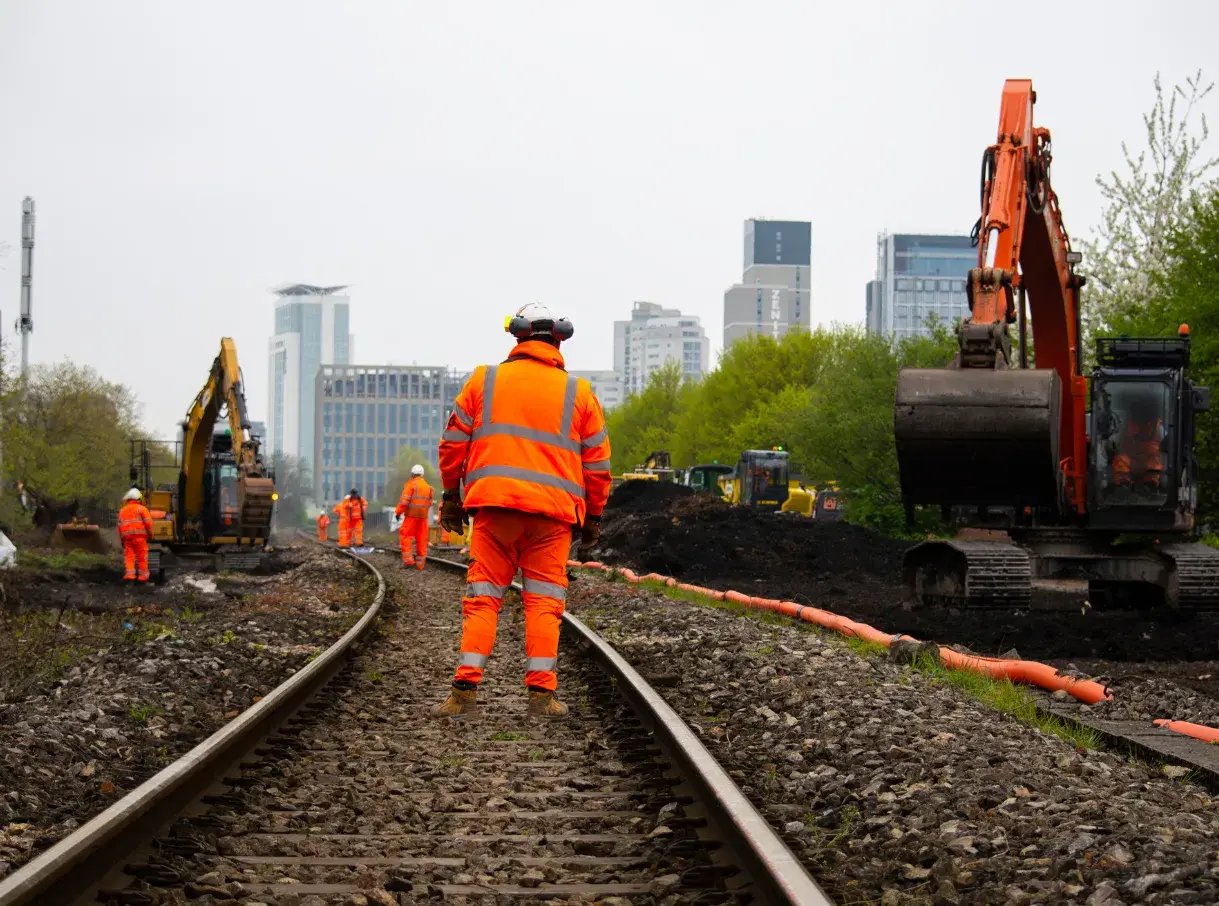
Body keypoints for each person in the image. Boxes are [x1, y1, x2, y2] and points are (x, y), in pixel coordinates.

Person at [434, 303, 612, 718]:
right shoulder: (579, 393)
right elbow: (599, 466)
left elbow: (452, 444)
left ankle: (463, 693)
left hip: (495, 513)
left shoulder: (484, 380)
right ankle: (541, 698)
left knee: (483, 599)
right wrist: (594, 518)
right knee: (544, 602)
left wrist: (450, 495)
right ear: (558, 341)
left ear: (516, 338)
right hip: (552, 520)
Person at [1112, 390, 1165, 491]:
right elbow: (1116, 442)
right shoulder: (1125, 426)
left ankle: (1150, 486)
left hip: (1149, 464)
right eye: (1137, 413)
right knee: (1121, 460)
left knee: (1154, 464)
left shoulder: (1159, 428)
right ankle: (1122, 485)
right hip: (1130, 460)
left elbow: (1166, 448)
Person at [396, 464, 434, 570]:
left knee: (405, 535)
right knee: (422, 539)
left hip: (411, 516)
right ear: (422, 474)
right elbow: (430, 503)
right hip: (423, 517)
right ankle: (420, 565)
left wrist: (398, 512)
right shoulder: (428, 487)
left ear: (412, 474)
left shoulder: (411, 484)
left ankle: (408, 561)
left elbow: (404, 502)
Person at [118, 488, 154, 584]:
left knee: (129, 557)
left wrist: (122, 540)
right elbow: (149, 523)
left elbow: (120, 527)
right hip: (140, 538)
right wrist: (150, 535)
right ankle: (143, 578)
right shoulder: (142, 509)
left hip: (127, 539)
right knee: (142, 557)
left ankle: (130, 575)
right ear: (138, 499)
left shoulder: (122, 511)